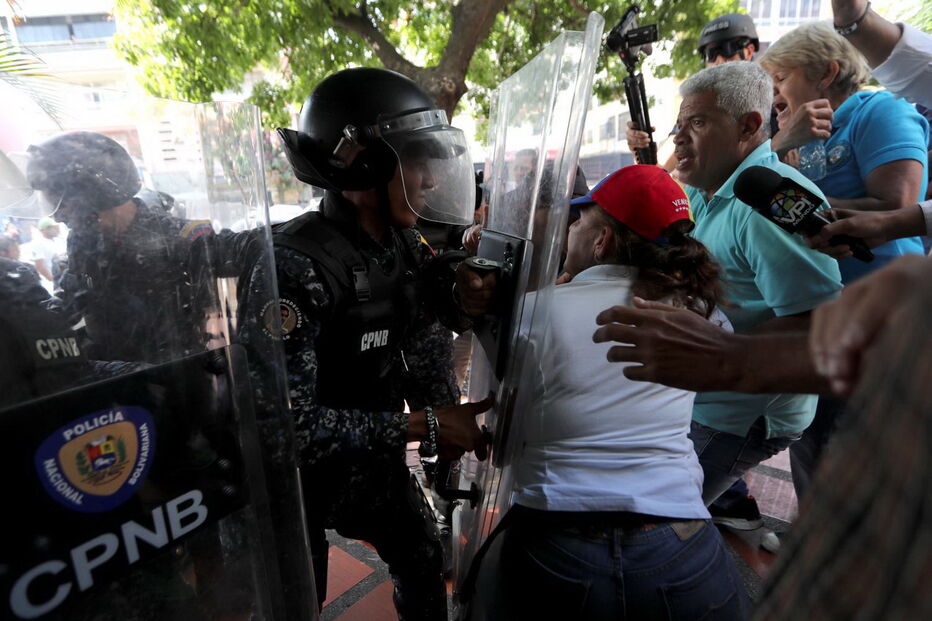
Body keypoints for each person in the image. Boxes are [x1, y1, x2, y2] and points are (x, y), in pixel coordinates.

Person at [471, 165, 749, 621]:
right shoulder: (702, 311)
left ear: (602, 242)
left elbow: (500, 450)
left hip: (554, 543)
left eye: (580, 222)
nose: (571, 231)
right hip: (682, 546)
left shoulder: (534, 313)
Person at [274, 67, 491, 620]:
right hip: (294, 485)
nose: (429, 179)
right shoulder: (294, 267)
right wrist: (428, 427)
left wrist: (464, 287)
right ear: (363, 164)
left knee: (421, 557)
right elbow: (291, 429)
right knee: (299, 596)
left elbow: (424, 348)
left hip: (369, 460)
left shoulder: (403, 246)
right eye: (414, 161)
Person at [668, 61, 843, 518]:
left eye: (698, 122)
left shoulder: (770, 205)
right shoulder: (705, 193)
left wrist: (706, 350)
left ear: (748, 125)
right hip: (707, 394)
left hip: (742, 414)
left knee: (659, 520)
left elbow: (816, 324)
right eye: (679, 125)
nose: (678, 137)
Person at [759, 21, 929, 284]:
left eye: (780, 79)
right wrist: (779, 146)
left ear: (827, 73)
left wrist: (799, 199)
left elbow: (897, 208)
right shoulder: (794, 142)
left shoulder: (880, 109)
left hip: (887, 294)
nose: (773, 96)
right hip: (822, 301)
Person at [626, 12, 762, 172]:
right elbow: (658, 170)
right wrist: (640, 150)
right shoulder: (698, 107)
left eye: (727, 49)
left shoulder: (770, 103)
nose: (718, 60)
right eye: (711, 53)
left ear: (748, 51)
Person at [29, 216, 63, 282]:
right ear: (45, 229)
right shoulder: (38, 243)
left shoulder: (58, 240)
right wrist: (54, 281)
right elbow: (40, 267)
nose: (57, 230)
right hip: (50, 282)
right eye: (54, 228)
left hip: (62, 278)